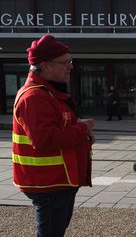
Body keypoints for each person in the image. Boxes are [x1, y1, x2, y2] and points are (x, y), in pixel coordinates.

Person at [12, 34, 95, 237]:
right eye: (65, 62)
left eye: (70, 61)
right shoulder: (34, 97)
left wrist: (81, 134)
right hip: (47, 183)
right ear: (45, 65)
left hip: (56, 180)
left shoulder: (48, 93)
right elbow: (45, 139)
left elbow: (59, 126)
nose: (70, 66)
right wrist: (82, 129)